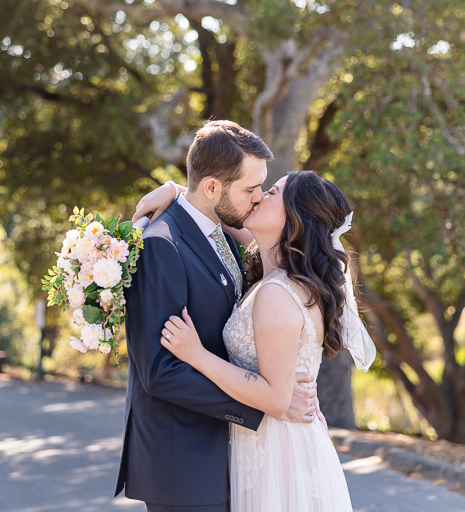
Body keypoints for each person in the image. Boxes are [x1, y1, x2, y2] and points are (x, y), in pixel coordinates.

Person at [115, 120, 320, 512]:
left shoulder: (221, 231)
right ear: (212, 188)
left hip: (224, 457)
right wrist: (266, 404)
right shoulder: (162, 246)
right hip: (184, 465)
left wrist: (176, 189)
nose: (258, 197)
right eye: (250, 189)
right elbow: (160, 372)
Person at [156, 170, 375, 511]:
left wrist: (196, 355)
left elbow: (275, 398)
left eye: (272, 192)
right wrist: (174, 190)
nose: (258, 196)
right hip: (268, 440)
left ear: (294, 219)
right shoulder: (274, 273)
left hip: (278, 450)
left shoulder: (278, 292)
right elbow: (214, 208)